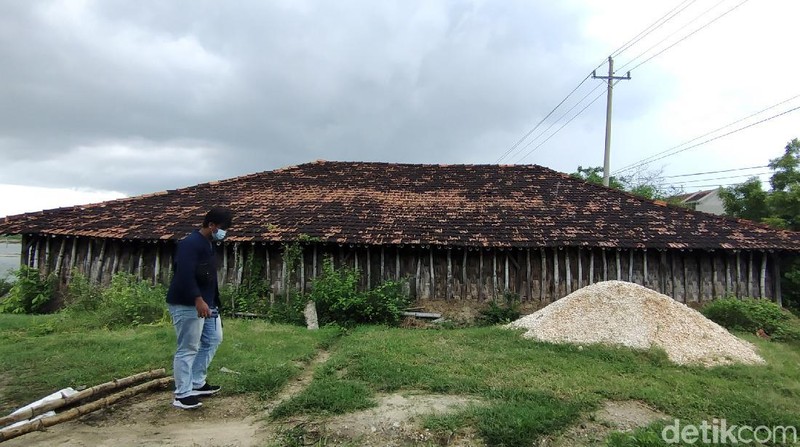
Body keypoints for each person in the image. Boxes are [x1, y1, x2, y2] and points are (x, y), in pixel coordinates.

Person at [166, 208, 233, 410]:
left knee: (213, 339)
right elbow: (184, 275)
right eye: (222, 228)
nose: (223, 232)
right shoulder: (190, 244)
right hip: (188, 303)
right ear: (211, 225)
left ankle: (197, 382)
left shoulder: (207, 244)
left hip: (208, 303)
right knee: (188, 347)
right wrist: (197, 299)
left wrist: (212, 302)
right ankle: (182, 393)